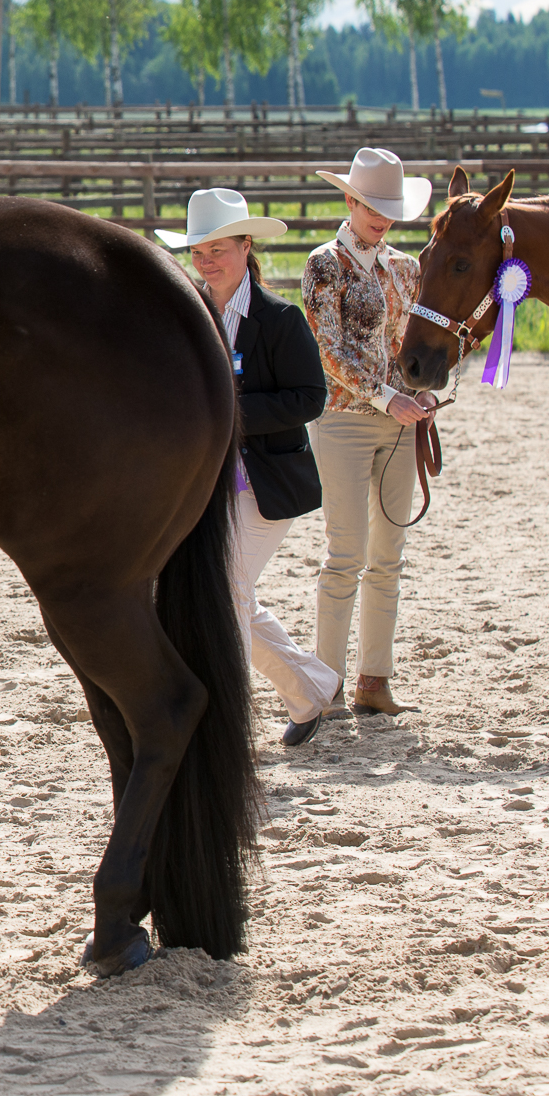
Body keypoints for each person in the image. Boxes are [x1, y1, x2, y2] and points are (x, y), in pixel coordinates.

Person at [162, 189, 341, 746]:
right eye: (198, 251)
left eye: (218, 248)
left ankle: (216, 721)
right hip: (203, 485)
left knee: (222, 592)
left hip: (265, 485)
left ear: (246, 246)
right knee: (235, 596)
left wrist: (229, 413)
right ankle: (312, 690)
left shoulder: (281, 319)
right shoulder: (186, 316)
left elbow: (311, 397)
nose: (207, 260)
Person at [303, 147, 437, 717]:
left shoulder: (406, 269)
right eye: (372, 206)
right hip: (342, 422)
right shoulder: (324, 264)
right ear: (351, 200)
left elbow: (409, 350)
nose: (382, 218)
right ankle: (325, 683)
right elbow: (326, 349)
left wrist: (423, 391)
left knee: (389, 554)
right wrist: (388, 396)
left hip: (401, 423)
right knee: (345, 553)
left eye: (389, 208)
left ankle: (374, 680)